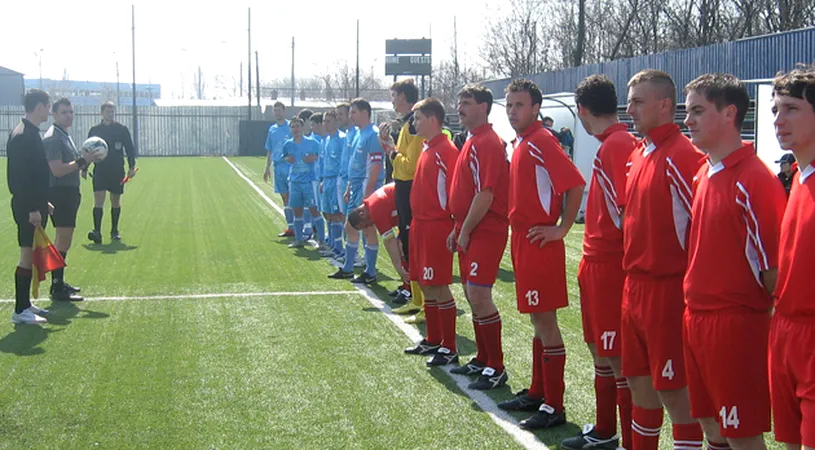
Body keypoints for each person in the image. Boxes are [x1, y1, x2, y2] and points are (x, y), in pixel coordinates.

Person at [682, 73, 784, 450]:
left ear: (729, 114)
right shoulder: (703, 173)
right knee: (713, 428)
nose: (687, 120)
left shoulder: (755, 179)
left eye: (697, 111)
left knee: (741, 434)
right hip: (696, 317)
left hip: (735, 325)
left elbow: (773, 271)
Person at [622, 69, 706, 449]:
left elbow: (702, 231)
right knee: (640, 388)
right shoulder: (640, 152)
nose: (630, 108)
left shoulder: (683, 156)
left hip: (667, 291)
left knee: (676, 395)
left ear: (665, 105)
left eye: (639, 101)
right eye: (630, 99)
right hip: (633, 288)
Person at [499, 79, 585, 429]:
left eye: (519, 105)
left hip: (539, 242)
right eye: (509, 106)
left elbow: (575, 184)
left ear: (536, 108)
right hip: (523, 239)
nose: (513, 111)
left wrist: (561, 228)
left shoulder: (542, 141)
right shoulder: (522, 142)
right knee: (537, 319)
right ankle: (538, 391)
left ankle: (554, 404)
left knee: (546, 322)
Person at [561, 74, 637, 449]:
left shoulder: (617, 146)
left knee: (617, 356)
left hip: (610, 265)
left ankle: (622, 437)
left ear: (583, 111)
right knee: (600, 350)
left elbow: (628, 215)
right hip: (597, 263)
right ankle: (605, 429)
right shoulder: (612, 144)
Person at [446, 84, 510, 391]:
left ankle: (496, 367)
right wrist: (457, 228)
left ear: (484, 107)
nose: (460, 107)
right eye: (459, 102)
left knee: (480, 295)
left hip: (486, 229)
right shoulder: (471, 140)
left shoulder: (488, 142)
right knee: (473, 295)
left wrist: (467, 230)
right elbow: (466, 192)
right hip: (470, 227)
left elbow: (485, 194)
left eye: (467, 102)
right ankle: (484, 359)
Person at [769, 65, 815, 450]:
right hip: (785, 331)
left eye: (791, 109)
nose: (778, 120)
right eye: (774, 110)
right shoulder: (798, 177)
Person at [400, 97, 460, 366]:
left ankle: (449, 346)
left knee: (438, 284)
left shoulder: (446, 150)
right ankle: (434, 339)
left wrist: (454, 224)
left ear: (433, 119)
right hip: (421, 225)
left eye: (418, 118)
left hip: (437, 226)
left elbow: (455, 192)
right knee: (426, 283)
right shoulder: (426, 147)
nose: (414, 123)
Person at [7, 89, 53, 324]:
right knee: (26, 254)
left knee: (30, 254)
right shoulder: (23, 135)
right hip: (27, 207)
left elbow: (35, 175)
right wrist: (33, 209)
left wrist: (43, 202)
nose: (49, 110)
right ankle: (19, 311)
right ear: (39, 107)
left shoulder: (31, 132)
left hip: (34, 204)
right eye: (48, 106)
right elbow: (19, 180)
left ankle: (25, 304)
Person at [44, 98, 96, 302]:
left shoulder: (64, 135)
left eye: (71, 112)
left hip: (68, 191)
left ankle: (59, 281)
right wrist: (82, 161)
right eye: (64, 112)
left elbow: (70, 164)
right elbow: (56, 170)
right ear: (54, 114)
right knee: (62, 239)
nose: (69, 115)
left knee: (64, 239)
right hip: (60, 193)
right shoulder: (54, 138)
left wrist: (83, 164)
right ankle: (57, 287)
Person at [329, 98, 385, 284]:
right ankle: (349, 268)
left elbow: (375, 166)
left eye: (353, 112)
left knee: (367, 229)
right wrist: (349, 187)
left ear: (364, 112)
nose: (350, 116)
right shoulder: (359, 133)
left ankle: (369, 272)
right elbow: (356, 164)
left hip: (366, 188)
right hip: (355, 187)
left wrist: (367, 194)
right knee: (350, 226)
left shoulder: (373, 134)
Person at [379, 79, 423, 306]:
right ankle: (412, 291)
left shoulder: (414, 124)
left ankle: (418, 297)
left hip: (412, 188)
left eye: (394, 96)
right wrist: (390, 147)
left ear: (404, 97)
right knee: (405, 241)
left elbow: (409, 165)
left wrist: (391, 149)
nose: (392, 101)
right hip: (404, 186)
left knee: (411, 242)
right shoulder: (407, 124)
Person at [86, 101, 137, 244]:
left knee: (115, 200)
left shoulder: (121, 129)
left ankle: (114, 231)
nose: (111, 114)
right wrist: (84, 167)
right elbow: (88, 150)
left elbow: (130, 149)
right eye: (108, 111)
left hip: (117, 170)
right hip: (100, 170)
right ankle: (97, 231)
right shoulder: (95, 130)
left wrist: (131, 167)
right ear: (101, 113)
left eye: (112, 111)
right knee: (98, 201)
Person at [346, 183, 406, 286]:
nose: (368, 226)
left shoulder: (375, 210)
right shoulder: (371, 204)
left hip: (415, 203)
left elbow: (389, 241)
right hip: (409, 200)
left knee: (403, 246)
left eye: (365, 225)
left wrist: (399, 268)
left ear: (362, 214)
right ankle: (407, 285)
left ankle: (410, 285)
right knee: (402, 244)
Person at [280, 118, 321, 248]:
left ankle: (322, 240)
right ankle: (298, 239)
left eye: (297, 126)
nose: (295, 129)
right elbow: (285, 156)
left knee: (314, 210)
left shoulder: (312, 143)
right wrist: (287, 159)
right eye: (293, 127)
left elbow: (320, 157)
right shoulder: (287, 144)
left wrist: (313, 158)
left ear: (302, 128)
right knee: (297, 211)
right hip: (294, 182)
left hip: (309, 181)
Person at [317, 111, 347, 259]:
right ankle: (334, 245)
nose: (325, 124)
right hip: (327, 180)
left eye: (329, 121)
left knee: (338, 214)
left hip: (336, 180)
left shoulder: (342, 139)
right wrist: (323, 180)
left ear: (336, 122)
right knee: (328, 214)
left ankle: (341, 248)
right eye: (324, 121)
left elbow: (343, 161)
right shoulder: (325, 140)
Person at [263, 102, 293, 237]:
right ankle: (291, 227)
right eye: (275, 110)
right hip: (278, 167)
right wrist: (267, 168)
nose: (276, 113)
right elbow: (269, 149)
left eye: (279, 110)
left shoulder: (291, 127)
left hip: (290, 166)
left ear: (284, 111)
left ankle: (303, 226)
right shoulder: (272, 129)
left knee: (294, 197)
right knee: (284, 197)